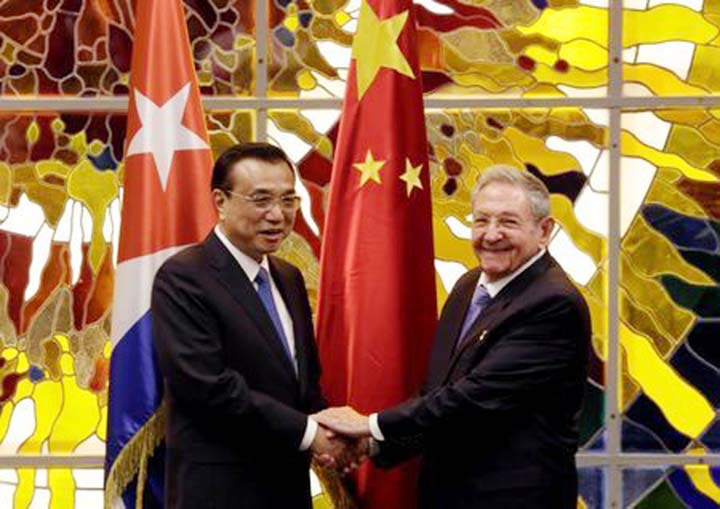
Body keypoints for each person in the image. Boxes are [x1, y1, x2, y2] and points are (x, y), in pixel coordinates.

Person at [315, 165, 591, 509]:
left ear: (544, 230)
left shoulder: (553, 304)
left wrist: (369, 425)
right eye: (481, 220)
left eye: (508, 222)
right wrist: (374, 445)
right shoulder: (467, 287)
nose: (491, 235)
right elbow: (439, 391)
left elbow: (472, 398)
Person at [152, 143, 354, 509]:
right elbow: (208, 387)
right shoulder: (184, 277)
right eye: (261, 200)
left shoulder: (288, 278)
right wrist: (311, 433)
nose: (277, 215)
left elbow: (300, 385)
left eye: (289, 200)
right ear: (220, 201)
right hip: (219, 492)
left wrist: (336, 431)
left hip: (286, 488)